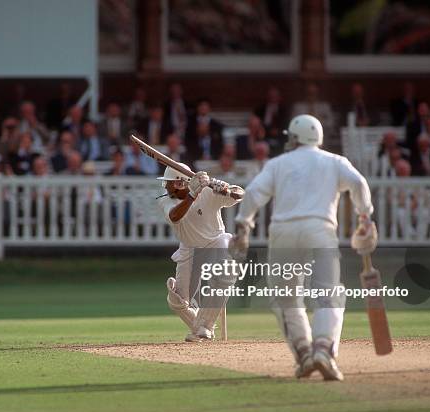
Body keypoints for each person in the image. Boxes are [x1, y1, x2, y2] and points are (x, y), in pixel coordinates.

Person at [231, 114, 377, 381]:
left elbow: (252, 193)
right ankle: (323, 349)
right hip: (319, 230)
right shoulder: (335, 162)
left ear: (295, 138)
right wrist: (364, 216)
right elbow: (358, 184)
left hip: (283, 233)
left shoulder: (278, 163)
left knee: (286, 297)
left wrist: (243, 226)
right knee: (328, 294)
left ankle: (304, 354)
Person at [157, 165, 243, 341]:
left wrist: (225, 189)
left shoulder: (208, 192)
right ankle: (201, 326)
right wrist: (192, 194)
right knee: (177, 300)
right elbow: (175, 216)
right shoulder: (166, 200)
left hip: (216, 241)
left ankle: (205, 326)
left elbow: (241, 194)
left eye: (169, 183)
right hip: (189, 246)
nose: (165, 186)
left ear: (181, 183)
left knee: (227, 272)